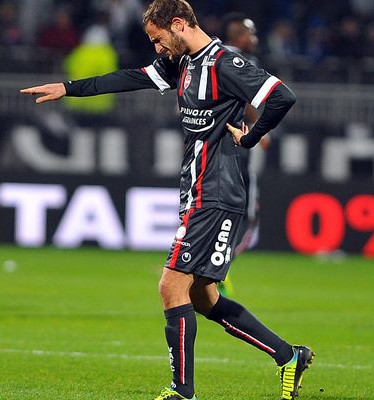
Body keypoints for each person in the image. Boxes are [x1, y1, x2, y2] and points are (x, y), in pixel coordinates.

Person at [21, 1, 314, 399]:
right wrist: (70, 88)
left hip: (214, 193)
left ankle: (182, 391)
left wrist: (249, 136)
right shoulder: (183, 63)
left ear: (178, 25)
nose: (157, 48)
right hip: (198, 191)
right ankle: (288, 356)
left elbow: (282, 96)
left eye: (158, 39)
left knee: (170, 285)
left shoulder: (224, 63)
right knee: (203, 298)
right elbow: (131, 78)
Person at [218, 12, 267, 297]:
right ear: (237, 35)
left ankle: (201, 271)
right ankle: (217, 272)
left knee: (215, 210)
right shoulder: (245, 62)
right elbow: (249, 100)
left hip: (212, 147)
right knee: (248, 216)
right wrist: (262, 131)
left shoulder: (210, 56)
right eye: (250, 33)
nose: (254, 38)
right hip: (239, 144)